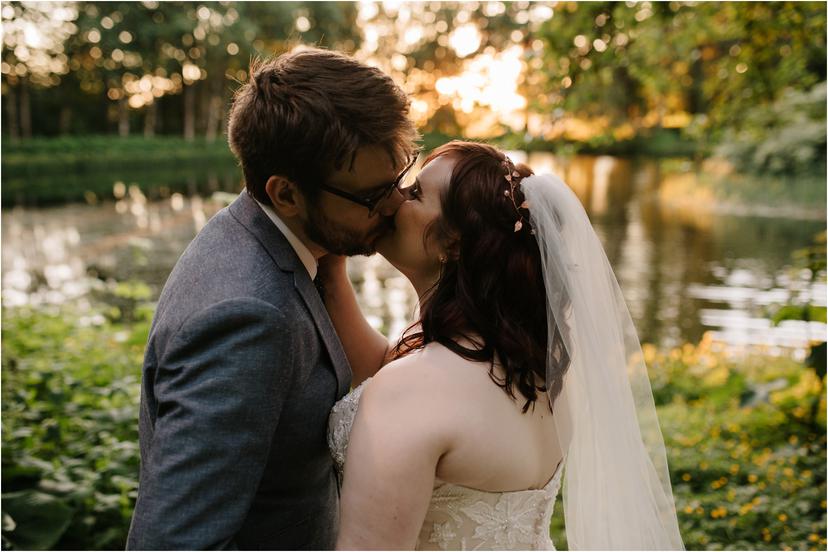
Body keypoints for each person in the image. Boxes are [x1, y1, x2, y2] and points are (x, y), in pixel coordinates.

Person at [323, 141, 685, 550]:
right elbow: (391, 367)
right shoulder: (537, 371)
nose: (393, 199)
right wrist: (332, 268)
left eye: (416, 194)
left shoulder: (416, 388)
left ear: (454, 244)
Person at [126, 47, 419, 550]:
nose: (396, 205)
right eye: (372, 196)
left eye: (400, 178)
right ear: (286, 194)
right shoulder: (249, 318)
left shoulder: (264, 235)